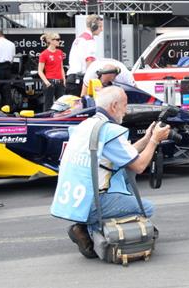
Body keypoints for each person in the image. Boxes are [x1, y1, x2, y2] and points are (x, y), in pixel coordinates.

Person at [50, 86, 170, 258]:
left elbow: (125, 156)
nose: (126, 110)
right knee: (148, 208)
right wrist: (155, 140)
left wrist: (146, 139)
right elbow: (139, 166)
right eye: (125, 105)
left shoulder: (87, 125)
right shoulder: (110, 131)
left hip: (73, 200)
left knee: (121, 177)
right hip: (92, 203)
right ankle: (87, 227)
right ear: (114, 106)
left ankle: (85, 226)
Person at [66, 15, 103, 96]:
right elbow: (89, 62)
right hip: (80, 80)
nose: (101, 29)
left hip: (72, 79)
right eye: (100, 26)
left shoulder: (79, 38)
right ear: (94, 26)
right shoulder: (89, 40)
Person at [38, 32, 66, 111]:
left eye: (59, 39)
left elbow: (61, 67)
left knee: (61, 104)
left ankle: (60, 121)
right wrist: (46, 82)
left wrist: (64, 79)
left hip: (59, 81)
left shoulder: (60, 52)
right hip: (50, 81)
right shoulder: (44, 54)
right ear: (50, 41)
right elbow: (40, 71)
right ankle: (47, 121)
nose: (59, 41)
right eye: (57, 39)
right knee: (48, 104)